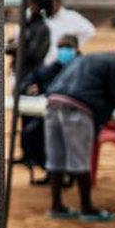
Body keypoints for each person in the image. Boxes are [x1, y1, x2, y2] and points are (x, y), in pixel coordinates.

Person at [44, 42, 115, 222]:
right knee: (80, 162)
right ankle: (87, 209)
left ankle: (56, 206)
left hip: (53, 105)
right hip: (78, 110)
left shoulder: (88, 58)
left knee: (56, 159)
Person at [19, 34, 81, 180]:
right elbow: (31, 80)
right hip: (50, 114)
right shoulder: (53, 67)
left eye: (68, 47)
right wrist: (28, 88)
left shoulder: (82, 67)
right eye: (61, 47)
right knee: (31, 133)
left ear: (76, 49)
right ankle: (50, 170)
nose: (64, 51)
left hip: (76, 116)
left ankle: (67, 174)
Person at [7, 0, 51, 90]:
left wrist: (16, 48)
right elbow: (10, 45)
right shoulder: (24, 26)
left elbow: (34, 53)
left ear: (38, 8)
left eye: (30, 6)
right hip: (18, 70)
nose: (27, 9)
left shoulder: (42, 28)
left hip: (31, 74)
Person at [42, 0, 96, 65]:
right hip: (43, 61)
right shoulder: (41, 17)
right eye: (51, 1)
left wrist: (72, 46)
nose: (54, 4)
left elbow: (89, 31)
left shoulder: (71, 16)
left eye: (57, 1)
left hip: (64, 61)